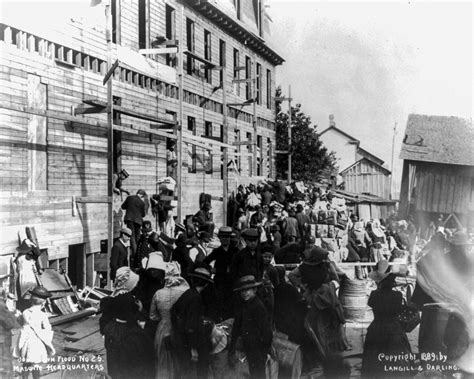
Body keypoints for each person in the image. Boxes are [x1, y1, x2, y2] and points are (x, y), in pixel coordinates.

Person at [100, 267, 154, 379]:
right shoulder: (127, 298)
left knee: (115, 365)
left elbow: (104, 320)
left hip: (114, 331)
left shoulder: (113, 295)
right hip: (126, 334)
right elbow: (131, 318)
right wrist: (140, 310)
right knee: (129, 366)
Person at [362, 261, 411, 377]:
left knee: (374, 363)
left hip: (376, 328)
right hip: (394, 329)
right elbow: (398, 310)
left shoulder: (374, 295)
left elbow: (372, 304)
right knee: (396, 363)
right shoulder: (397, 296)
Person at [171, 267, 214, 379]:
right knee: (199, 370)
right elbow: (191, 326)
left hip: (182, 339)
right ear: (206, 284)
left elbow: (174, 312)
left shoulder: (188, 293)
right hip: (192, 342)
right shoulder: (196, 298)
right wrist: (193, 348)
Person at [149, 262, 190, 379]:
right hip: (180, 329)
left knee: (163, 361)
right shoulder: (185, 292)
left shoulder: (158, 293)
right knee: (180, 361)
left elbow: (153, 316)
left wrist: (163, 317)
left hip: (162, 328)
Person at [228, 275, 273, 379]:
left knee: (259, 373)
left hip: (258, 347)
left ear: (255, 290)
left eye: (247, 290)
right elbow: (237, 326)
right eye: (242, 291)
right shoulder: (243, 305)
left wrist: (264, 350)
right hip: (249, 345)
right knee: (253, 373)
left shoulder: (258, 306)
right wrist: (232, 347)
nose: (244, 293)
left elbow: (266, 331)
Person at [14, 286, 55, 379]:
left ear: (31, 301)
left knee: (26, 364)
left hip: (26, 341)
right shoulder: (42, 315)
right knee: (36, 365)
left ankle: (24, 378)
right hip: (37, 343)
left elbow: (20, 322)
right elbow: (48, 328)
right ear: (43, 302)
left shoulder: (25, 312)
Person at [203, 226, 236, 321]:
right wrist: (212, 270)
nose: (225, 239)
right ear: (220, 238)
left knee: (231, 308)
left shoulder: (235, 251)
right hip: (220, 284)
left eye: (227, 237)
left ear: (230, 238)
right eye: (223, 237)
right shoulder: (217, 252)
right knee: (220, 306)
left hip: (232, 284)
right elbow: (205, 262)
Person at [14, 239, 43, 311]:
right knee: (31, 292)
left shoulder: (19, 257)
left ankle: (26, 308)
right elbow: (38, 253)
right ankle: (31, 307)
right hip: (28, 276)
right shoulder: (27, 257)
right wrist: (35, 246)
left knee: (26, 292)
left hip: (23, 276)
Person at [121, 189, 147, 257]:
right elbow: (143, 215)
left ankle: (135, 255)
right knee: (137, 237)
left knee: (132, 236)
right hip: (138, 221)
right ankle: (139, 254)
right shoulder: (142, 203)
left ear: (137, 193)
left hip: (130, 219)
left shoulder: (129, 198)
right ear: (142, 195)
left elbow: (123, 206)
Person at [1, 289, 20, 378]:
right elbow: (10, 323)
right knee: (6, 364)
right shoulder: (2, 306)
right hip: (3, 339)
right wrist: (13, 313)